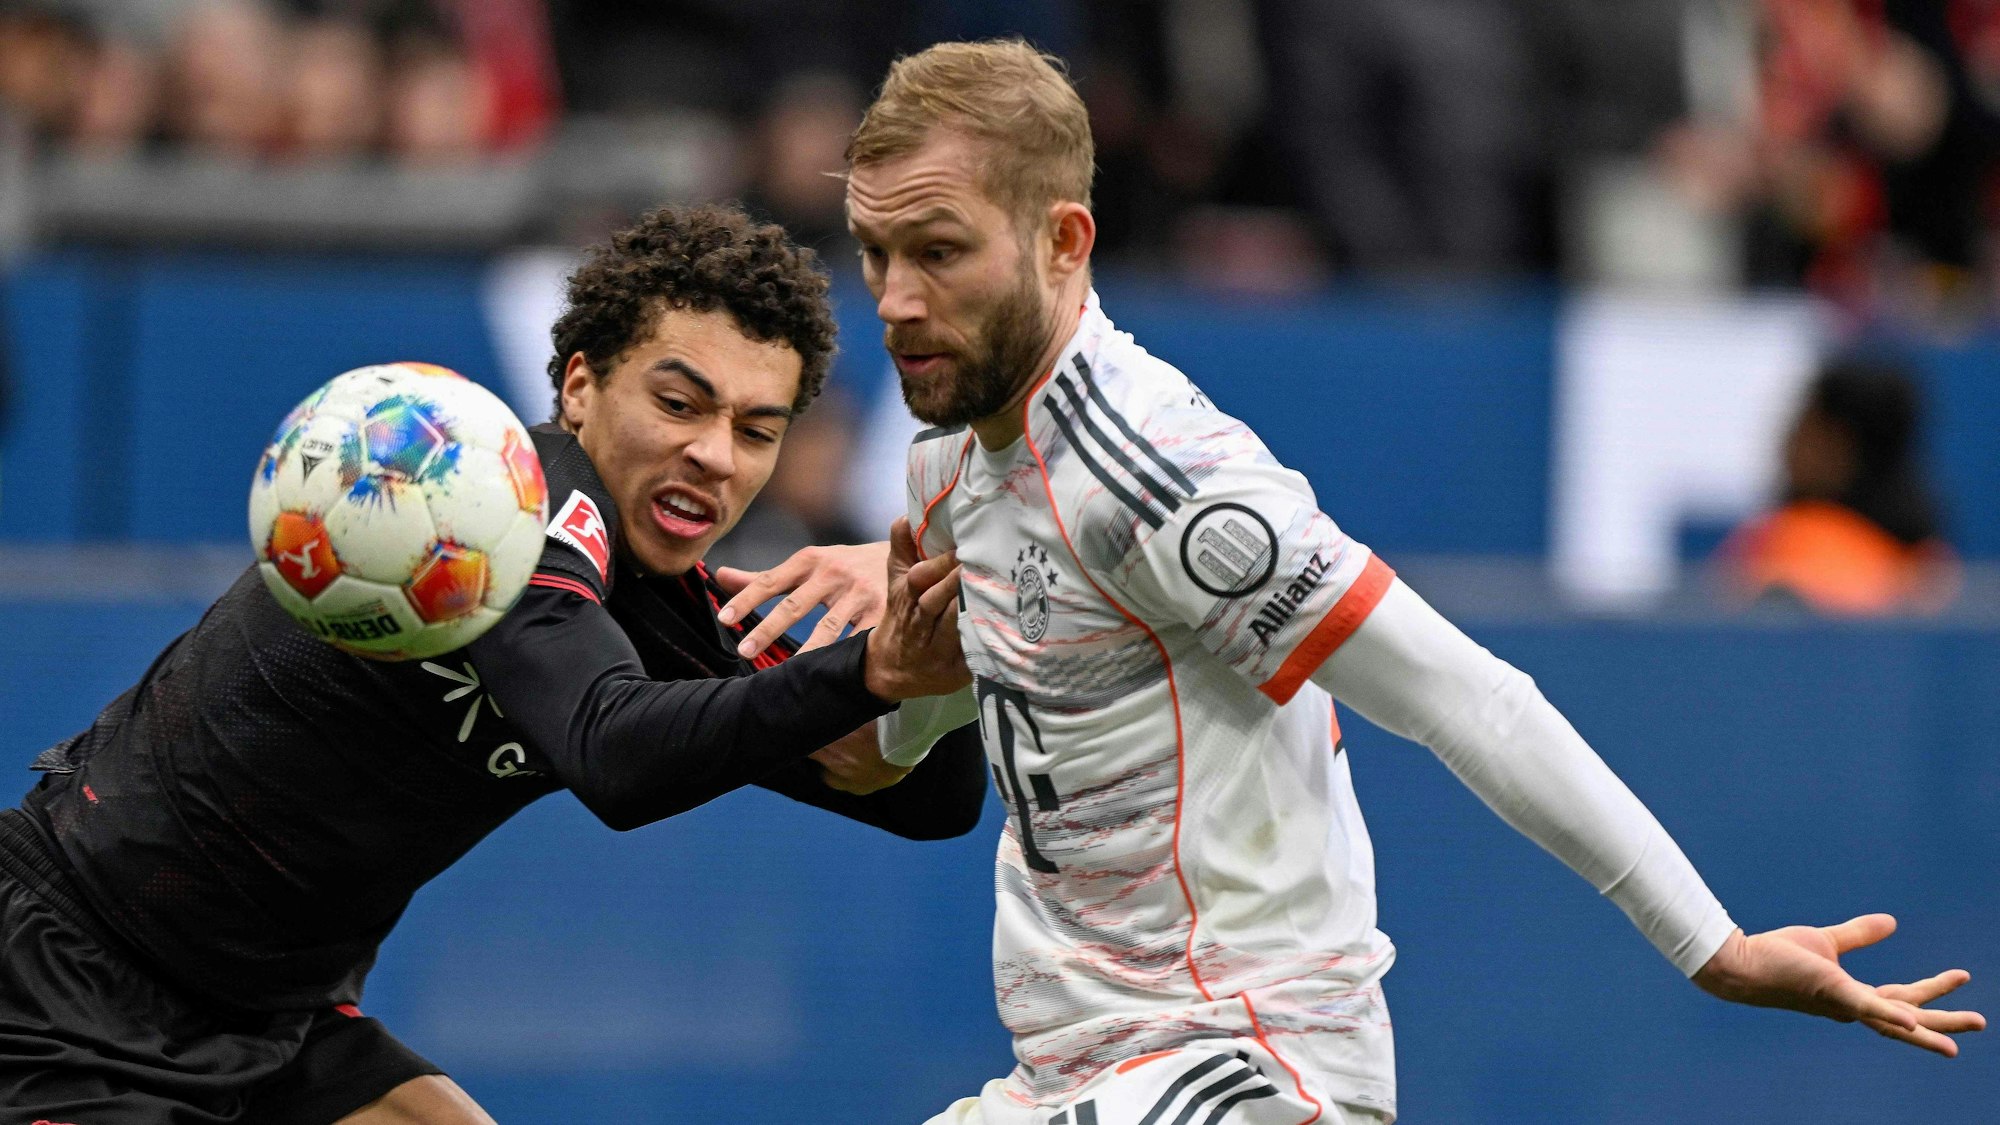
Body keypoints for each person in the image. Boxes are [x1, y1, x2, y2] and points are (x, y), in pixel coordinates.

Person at [820, 39, 1983, 1124]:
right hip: (1068, 1077)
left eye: (937, 249)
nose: (895, 298)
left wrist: (1712, 947)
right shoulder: (946, 474)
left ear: (1063, 241)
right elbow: (906, 745)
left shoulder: (1161, 478)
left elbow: (1467, 697)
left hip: (1244, 1064)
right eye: (874, 253)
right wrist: (802, 685)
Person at [0, 203, 983, 1125]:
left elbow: (926, 801)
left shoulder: (670, 606)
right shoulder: (492, 508)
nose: (716, 456)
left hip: (268, 1016)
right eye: (680, 402)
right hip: (67, 966)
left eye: (756, 429)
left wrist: (935, 646)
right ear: (579, 385)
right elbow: (614, 753)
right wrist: (870, 676)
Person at [1719, 357, 1959, 616]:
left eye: (1803, 425)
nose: (1786, 442)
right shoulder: (1932, 563)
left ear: (1837, 446)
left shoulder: (1792, 543)